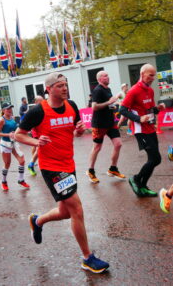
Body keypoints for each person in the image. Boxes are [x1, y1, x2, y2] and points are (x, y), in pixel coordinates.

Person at [15, 72, 109, 274]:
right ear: (49, 89)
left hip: (69, 164)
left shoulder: (72, 105)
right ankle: (87, 257)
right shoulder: (38, 111)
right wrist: (35, 141)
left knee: (66, 212)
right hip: (51, 167)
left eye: (65, 84)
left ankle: (37, 221)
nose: (64, 88)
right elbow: (18, 134)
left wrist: (79, 130)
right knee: (77, 209)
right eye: (59, 86)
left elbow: (75, 130)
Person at [120, 64, 165, 197]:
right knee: (155, 158)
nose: (153, 78)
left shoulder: (150, 90)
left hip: (150, 128)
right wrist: (138, 118)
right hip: (140, 129)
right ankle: (136, 179)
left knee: (155, 159)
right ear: (142, 74)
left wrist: (158, 108)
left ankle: (143, 186)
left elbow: (149, 110)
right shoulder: (133, 90)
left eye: (154, 75)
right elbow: (122, 110)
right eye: (150, 75)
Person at [86, 70, 125, 183]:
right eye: (104, 76)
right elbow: (94, 107)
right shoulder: (97, 90)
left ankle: (113, 169)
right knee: (97, 148)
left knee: (118, 144)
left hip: (110, 122)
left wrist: (114, 105)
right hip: (99, 124)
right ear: (99, 79)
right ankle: (91, 171)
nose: (107, 77)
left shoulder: (108, 89)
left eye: (108, 75)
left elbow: (109, 104)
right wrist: (109, 102)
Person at [0, 102, 30, 191]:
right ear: (3, 110)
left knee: (22, 160)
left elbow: (15, 130)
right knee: (7, 164)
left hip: (14, 143)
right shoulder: (1, 120)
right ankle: (3, 181)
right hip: (5, 144)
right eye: (8, 108)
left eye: (11, 108)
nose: (10, 110)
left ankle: (21, 180)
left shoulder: (13, 118)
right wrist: (8, 135)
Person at [28, 95, 44, 176]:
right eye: (40, 100)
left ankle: (33, 161)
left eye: (43, 100)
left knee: (37, 147)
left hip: (41, 131)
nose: (42, 102)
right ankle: (32, 163)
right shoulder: (34, 110)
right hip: (36, 131)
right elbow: (31, 122)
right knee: (38, 147)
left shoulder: (42, 108)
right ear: (36, 102)